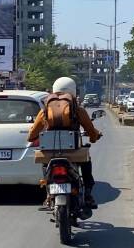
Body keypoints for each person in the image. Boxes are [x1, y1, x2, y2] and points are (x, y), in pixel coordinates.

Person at [27, 76, 102, 209]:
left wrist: (32, 138)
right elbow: (90, 130)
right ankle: (88, 195)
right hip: (73, 150)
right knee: (86, 162)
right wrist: (93, 137)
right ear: (73, 91)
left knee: (46, 166)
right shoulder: (78, 110)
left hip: (51, 151)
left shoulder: (45, 109)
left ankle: (49, 195)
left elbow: (32, 133)